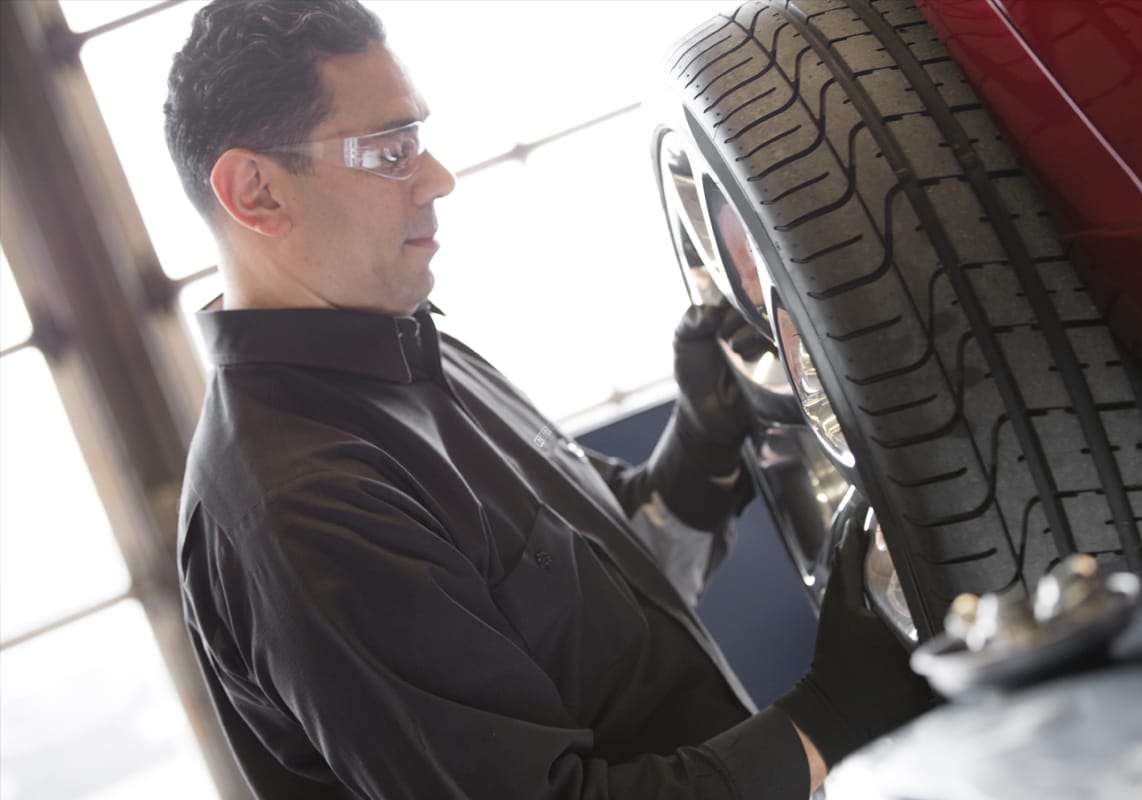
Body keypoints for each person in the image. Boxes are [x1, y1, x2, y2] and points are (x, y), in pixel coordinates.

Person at [166, 1, 934, 797]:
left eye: (419, 139)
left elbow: (597, 606)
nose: (438, 178)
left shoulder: (409, 347)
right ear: (255, 191)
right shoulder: (303, 508)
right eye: (391, 151)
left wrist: (701, 449)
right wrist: (829, 717)